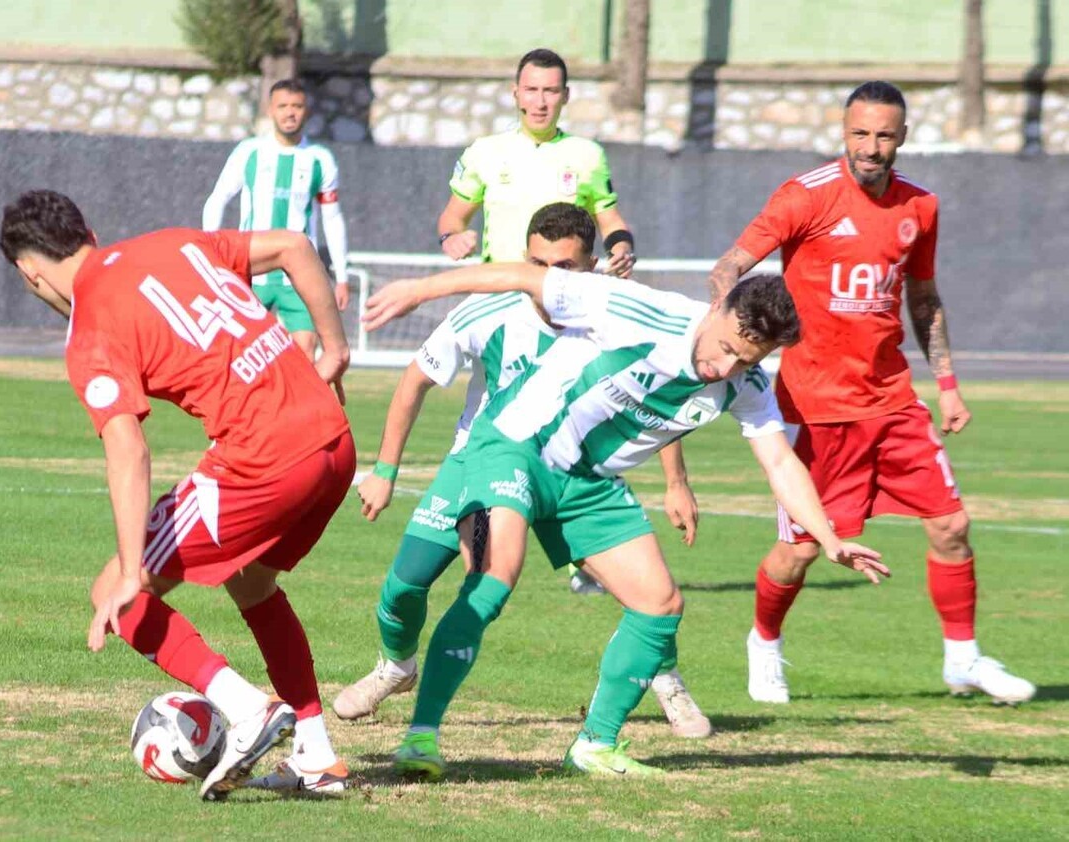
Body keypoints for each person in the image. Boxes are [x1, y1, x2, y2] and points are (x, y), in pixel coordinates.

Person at [362, 264, 888, 780]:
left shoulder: (746, 384)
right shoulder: (637, 308)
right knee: (496, 576)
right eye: (727, 347)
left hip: (588, 482)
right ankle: (422, 735)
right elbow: (523, 277)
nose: (725, 368)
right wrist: (419, 290)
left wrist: (827, 538)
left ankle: (595, 745)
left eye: (746, 358)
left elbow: (779, 462)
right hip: (518, 446)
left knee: (660, 604)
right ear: (717, 309)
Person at [0, 190, 354, 799]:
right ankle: (315, 755)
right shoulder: (173, 242)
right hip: (333, 443)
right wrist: (336, 346)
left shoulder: (91, 327)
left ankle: (245, 710)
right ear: (87, 228)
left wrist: (136, 571)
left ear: (29, 273)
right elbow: (296, 247)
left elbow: (129, 450)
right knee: (252, 582)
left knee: (114, 593)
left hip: (264, 462)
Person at [706, 80, 1035, 706]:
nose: (872, 147)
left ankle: (963, 659)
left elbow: (924, 298)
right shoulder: (805, 197)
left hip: (892, 402)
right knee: (797, 554)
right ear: (844, 131)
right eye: (861, 133)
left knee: (952, 525)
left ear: (902, 137)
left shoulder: (921, 207)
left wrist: (948, 385)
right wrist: (724, 326)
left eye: (885, 135)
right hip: (815, 408)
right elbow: (730, 265)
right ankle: (764, 643)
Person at [333, 203, 711, 740]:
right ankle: (396, 667)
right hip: (483, 463)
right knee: (404, 586)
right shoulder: (488, 310)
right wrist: (385, 470)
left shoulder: (618, 312)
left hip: (573, 472)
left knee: (646, 594)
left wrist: (676, 482)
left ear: (593, 264)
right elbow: (416, 379)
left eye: (564, 268)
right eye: (536, 263)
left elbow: (660, 399)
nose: (546, 280)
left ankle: (664, 676)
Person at [439, 48, 637, 594]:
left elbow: (610, 217)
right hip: (501, 304)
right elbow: (453, 216)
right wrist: (453, 237)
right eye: (532, 89)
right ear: (515, 92)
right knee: (487, 416)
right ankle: (474, 517)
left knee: (577, 414)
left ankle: (578, 545)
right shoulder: (485, 152)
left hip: (567, 311)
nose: (541, 100)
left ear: (566, 96)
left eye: (552, 90)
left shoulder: (587, 155)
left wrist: (623, 245)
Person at [201, 78, 350, 357]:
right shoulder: (249, 152)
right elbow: (218, 198)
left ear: (307, 111)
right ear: (271, 110)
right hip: (251, 270)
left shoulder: (320, 159)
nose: (290, 112)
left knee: (307, 349)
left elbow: (332, 218)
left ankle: (299, 401)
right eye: (283, 106)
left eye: (297, 106)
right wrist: (211, 251)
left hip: (300, 274)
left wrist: (341, 276)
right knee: (239, 353)